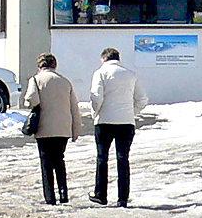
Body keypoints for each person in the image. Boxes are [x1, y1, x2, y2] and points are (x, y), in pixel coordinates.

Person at [88, 46, 147, 206]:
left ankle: (101, 194)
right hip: (126, 123)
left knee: (102, 158)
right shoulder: (131, 74)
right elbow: (142, 99)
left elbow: (96, 98)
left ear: (104, 58)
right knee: (123, 159)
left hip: (105, 122)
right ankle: (122, 198)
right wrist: (130, 112)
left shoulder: (100, 73)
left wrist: (95, 113)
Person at [23, 53, 83, 205]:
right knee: (59, 160)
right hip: (63, 129)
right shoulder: (65, 81)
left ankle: (50, 197)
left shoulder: (36, 80)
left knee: (46, 163)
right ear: (54, 65)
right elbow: (74, 108)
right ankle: (63, 193)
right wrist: (76, 130)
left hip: (44, 128)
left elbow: (31, 100)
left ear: (40, 66)